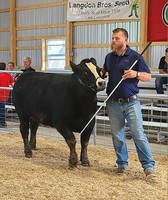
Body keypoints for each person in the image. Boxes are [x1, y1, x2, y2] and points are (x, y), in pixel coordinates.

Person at [102, 28, 155, 177]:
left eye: (117, 38)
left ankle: (148, 166)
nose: (113, 41)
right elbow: (104, 72)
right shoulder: (109, 57)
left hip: (131, 102)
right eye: (112, 38)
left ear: (125, 40)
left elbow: (148, 77)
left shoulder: (136, 57)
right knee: (117, 136)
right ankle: (122, 164)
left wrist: (135, 74)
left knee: (138, 134)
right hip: (113, 103)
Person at [0, 62, 14, 127]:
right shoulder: (8, 75)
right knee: (3, 109)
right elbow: (13, 84)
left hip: (1, 94)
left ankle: (2, 123)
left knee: (2, 109)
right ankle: (2, 122)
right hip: (5, 95)